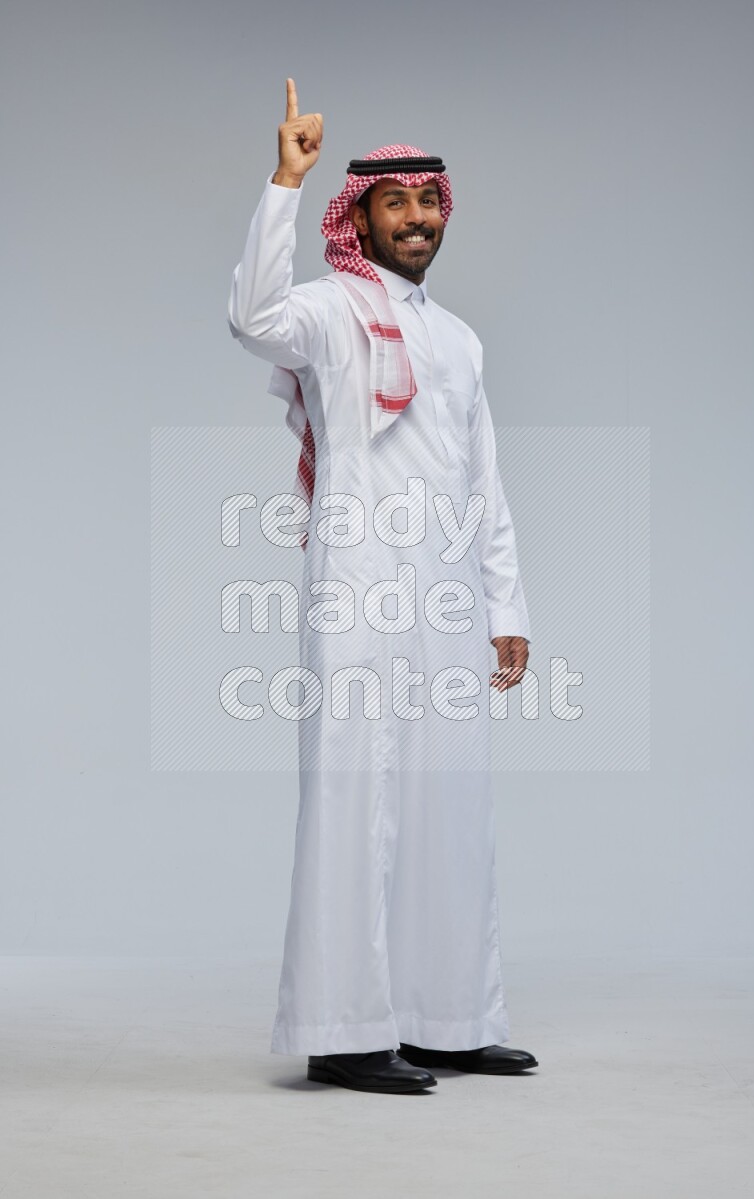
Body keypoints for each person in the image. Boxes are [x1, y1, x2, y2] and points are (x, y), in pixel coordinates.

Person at [227, 78, 537, 1094]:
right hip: (357, 586)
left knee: (453, 805)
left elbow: (480, 481)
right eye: (394, 202)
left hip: (447, 598)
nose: (415, 218)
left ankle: (449, 1017)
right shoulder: (324, 310)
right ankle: (344, 1028)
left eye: (428, 201)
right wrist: (284, 177)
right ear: (356, 215)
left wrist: (505, 609)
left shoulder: (458, 339)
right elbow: (251, 315)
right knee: (355, 801)